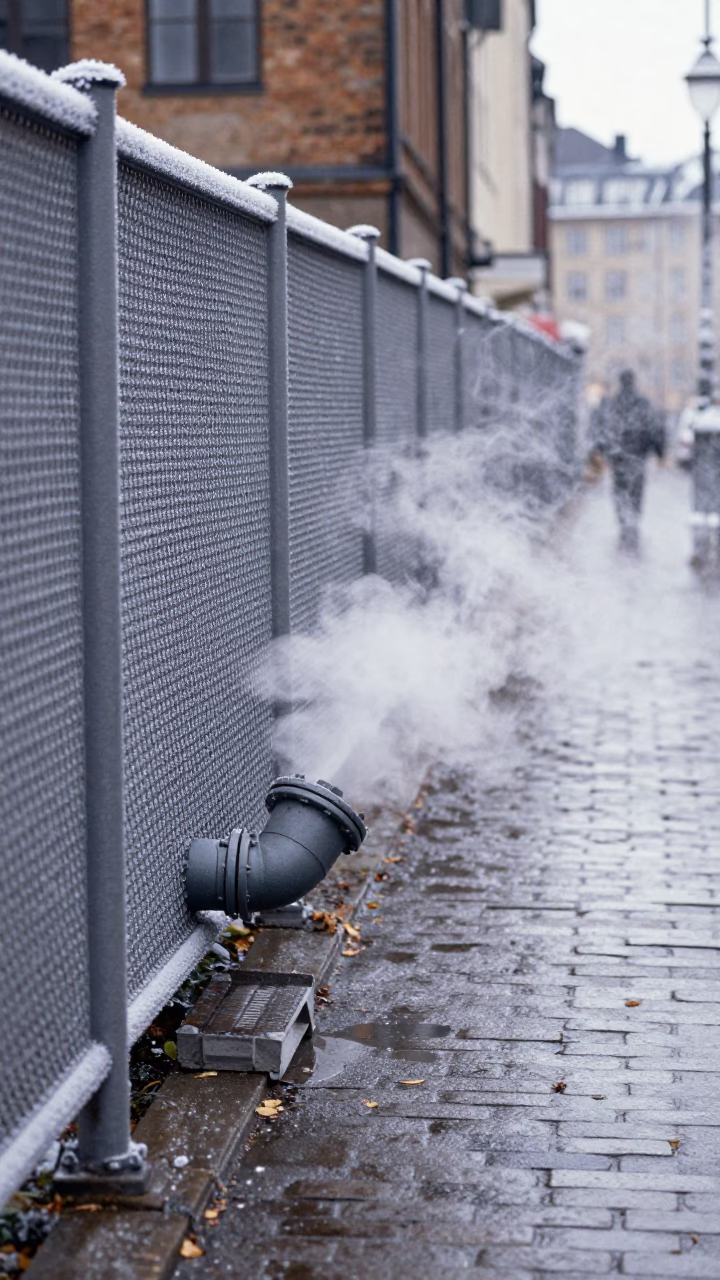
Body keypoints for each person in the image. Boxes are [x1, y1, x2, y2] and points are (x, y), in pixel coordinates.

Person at [591, 369, 665, 550]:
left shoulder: (612, 403)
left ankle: (623, 520)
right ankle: (633, 519)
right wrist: (659, 451)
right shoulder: (642, 403)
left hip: (618, 456)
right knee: (636, 489)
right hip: (638, 455)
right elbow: (654, 428)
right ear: (633, 382)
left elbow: (602, 428)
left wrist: (599, 450)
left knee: (619, 488)